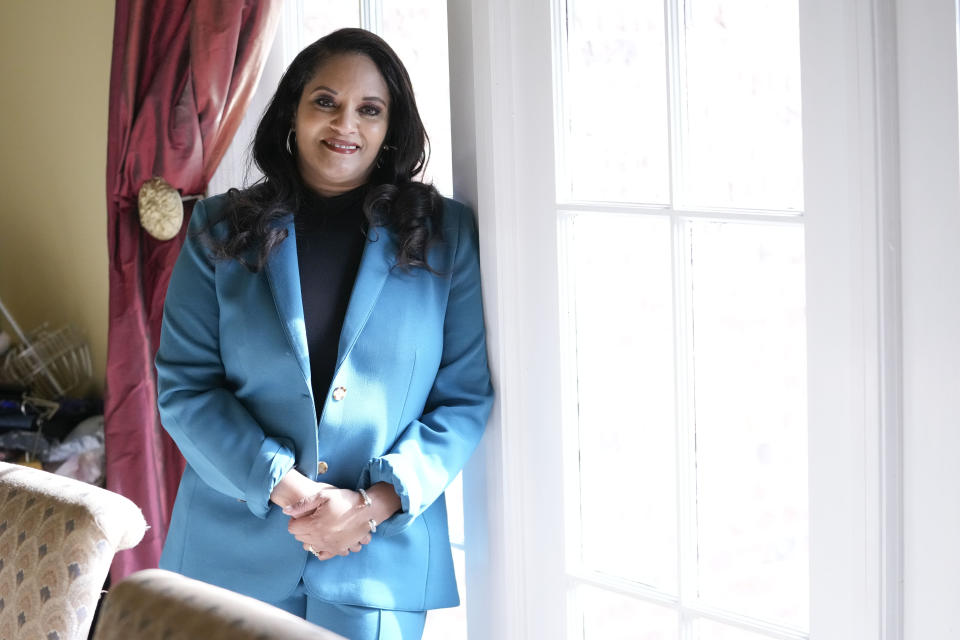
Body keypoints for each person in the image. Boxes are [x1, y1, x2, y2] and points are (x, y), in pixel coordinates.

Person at [155, 28, 493, 640]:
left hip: (378, 563)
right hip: (226, 562)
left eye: (370, 109)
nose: (347, 124)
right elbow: (185, 389)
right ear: (292, 112)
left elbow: (463, 398)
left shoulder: (446, 235)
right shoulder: (216, 229)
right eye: (326, 102)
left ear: (392, 128)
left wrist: (372, 505)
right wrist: (286, 490)